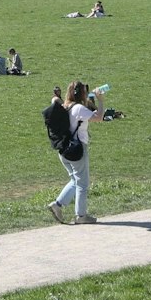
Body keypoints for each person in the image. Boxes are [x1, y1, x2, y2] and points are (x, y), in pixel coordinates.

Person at [45, 82, 106, 225]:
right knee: (82, 184)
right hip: (77, 150)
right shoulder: (78, 108)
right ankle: (81, 215)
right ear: (82, 94)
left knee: (75, 180)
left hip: (64, 149)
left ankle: (57, 204)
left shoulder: (65, 106)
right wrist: (101, 101)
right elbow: (99, 117)